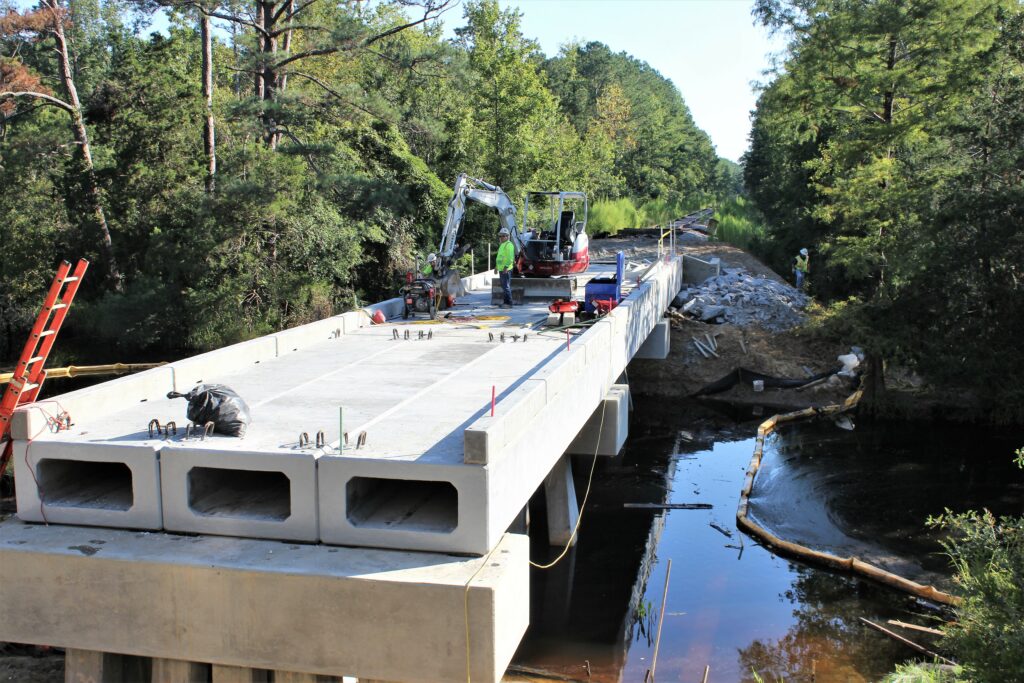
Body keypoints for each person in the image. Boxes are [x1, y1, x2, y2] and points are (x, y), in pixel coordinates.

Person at [495, 227, 515, 308]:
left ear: (507, 236)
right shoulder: (502, 245)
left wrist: (506, 267)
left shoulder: (509, 245)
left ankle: (509, 303)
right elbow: (499, 258)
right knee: (504, 286)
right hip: (501, 269)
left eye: (503, 236)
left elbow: (510, 258)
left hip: (506, 269)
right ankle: (505, 303)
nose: (501, 237)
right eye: (500, 236)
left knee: (506, 286)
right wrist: (496, 267)